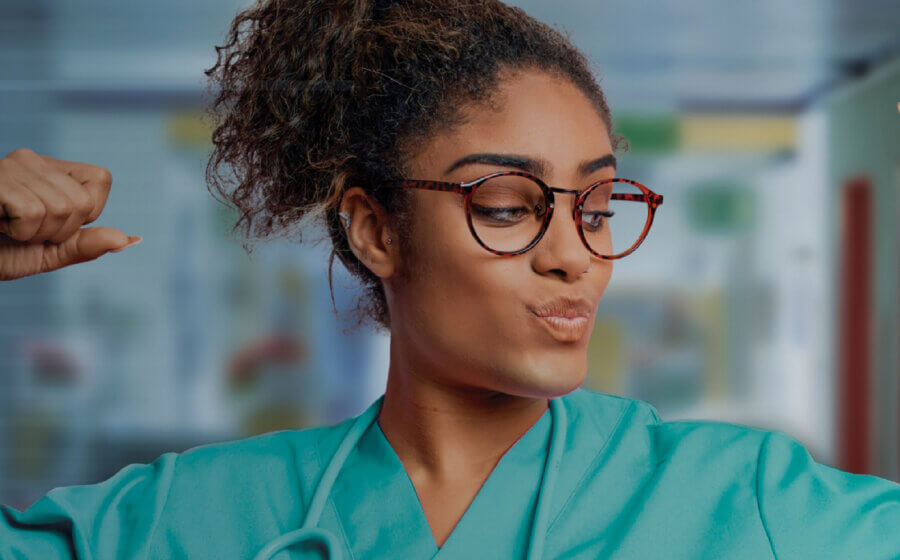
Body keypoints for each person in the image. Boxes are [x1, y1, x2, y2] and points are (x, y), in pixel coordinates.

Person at [1, 0, 898, 558]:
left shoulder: (744, 502)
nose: (575, 254)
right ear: (376, 229)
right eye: (507, 206)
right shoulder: (187, 520)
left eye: (593, 207)